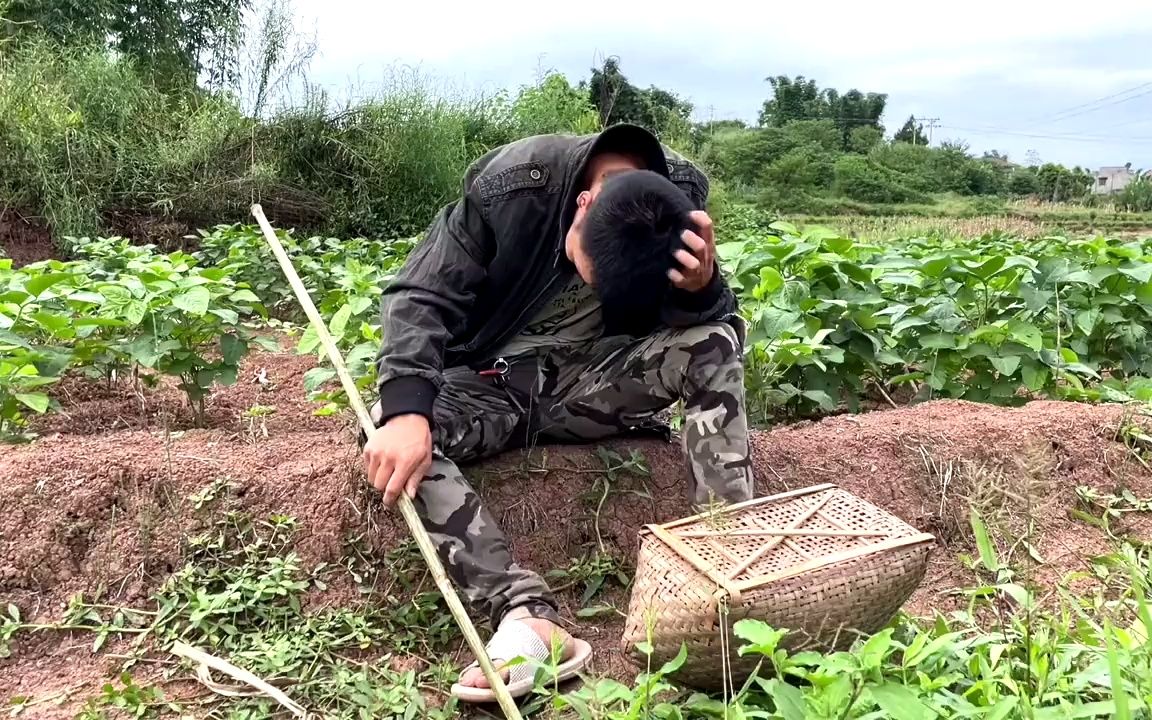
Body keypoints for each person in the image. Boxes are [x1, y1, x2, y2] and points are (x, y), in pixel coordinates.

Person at [361, 123, 754, 702]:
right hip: (486, 385)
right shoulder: (514, 186)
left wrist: (702, 289)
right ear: (582, 202)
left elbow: (712, 320)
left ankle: (735, 564)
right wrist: (406, 412)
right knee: (388, 425)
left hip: (589, 385)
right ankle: (526, 614)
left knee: (714, 341)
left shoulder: (683, 198)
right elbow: (420, 296)